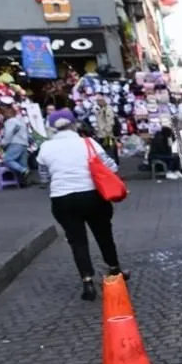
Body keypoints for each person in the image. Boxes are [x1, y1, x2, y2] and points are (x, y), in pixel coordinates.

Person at [36, 110, 126, 301]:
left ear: (52, 128)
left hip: (62, 198)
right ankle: (114, 269)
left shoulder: (45, 148)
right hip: (92, 195)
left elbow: (44, 177)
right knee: (103, 234)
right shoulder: (88, 142)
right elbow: (111, 167)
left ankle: (87, 282)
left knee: (77, 240)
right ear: (74, 124)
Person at [0, 103, 30, 186]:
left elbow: (9, 134)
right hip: (24, 143)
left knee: (8, 159)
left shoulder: (10, 121)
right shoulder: (20, 120)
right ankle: (24, 183)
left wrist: (3, 143)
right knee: (22, 162)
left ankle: (23, 171)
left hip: (15, 143)